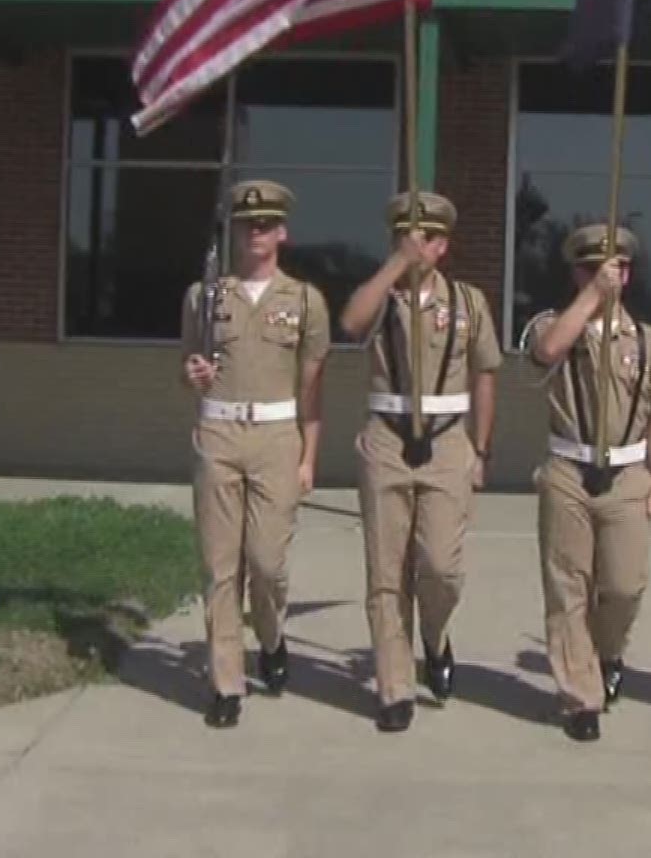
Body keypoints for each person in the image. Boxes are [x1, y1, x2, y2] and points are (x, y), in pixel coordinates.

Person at [338, 190, 501, 733]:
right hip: (386, 438)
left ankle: (434, 636)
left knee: (440, 567)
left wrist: (480, 449)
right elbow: (351, 323)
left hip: (448, 440)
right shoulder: (383, 295)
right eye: (409, 237)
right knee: (385, 573)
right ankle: (394, 688)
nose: (419, 246)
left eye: (428, 239)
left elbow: (485, 373)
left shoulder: (467, 302)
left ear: (444, 246)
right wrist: (395, 266)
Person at [518, 225, 651, 742]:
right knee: (568, 588)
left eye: (612, 270)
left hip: (628, 475)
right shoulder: (554, 324)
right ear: (577, 273)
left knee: (623, 586)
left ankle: (607, 652)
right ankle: (579, 698)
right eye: (589, 269)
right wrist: (592, 297)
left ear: (628, 274)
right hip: (569, 470)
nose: (604, 276)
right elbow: (545, 353)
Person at [179, 179, 330, 729]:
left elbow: (313, 392)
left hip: (276, 438)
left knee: (266, 563)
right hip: (219, 434)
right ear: (234, 230)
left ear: (283, 232)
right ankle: (226, 682)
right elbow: (190, 366)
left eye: (266, 223)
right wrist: (194, 374)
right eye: (246, 223)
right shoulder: (205, 296)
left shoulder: (306, 301)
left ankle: (271, 638)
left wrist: (309, 457)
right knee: (221, 568)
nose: (256, 231)